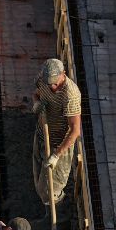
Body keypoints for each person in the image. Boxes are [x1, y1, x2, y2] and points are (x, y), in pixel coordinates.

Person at [32, 58, 82, 214]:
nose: (52, 86)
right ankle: (48, 211)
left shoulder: (71, 94)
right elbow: (37, 94)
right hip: (41, 135)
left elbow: (75, 130)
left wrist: (56, 155)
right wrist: (36, 103)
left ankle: (61, 218)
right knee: (39, 179)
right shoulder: (43, 79)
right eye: (49, 83)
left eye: (55, 83)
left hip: (60, 145)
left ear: (63, 74)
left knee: (50, 190)